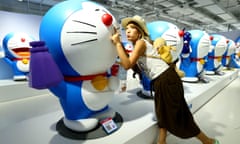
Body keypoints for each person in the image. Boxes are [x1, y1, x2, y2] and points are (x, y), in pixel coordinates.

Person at [111, 15, 219, 144]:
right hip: (162, 81)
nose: (127, 31)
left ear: (139, 32)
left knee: (179, 114)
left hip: (166, 80)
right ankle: (162, 141)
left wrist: (117, 43)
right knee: (162, 112)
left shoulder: (140, 43)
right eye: (126, 29)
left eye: (132, 28)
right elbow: (129, 62)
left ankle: (207, 141)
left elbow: (127, 64)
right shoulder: (138, 46)